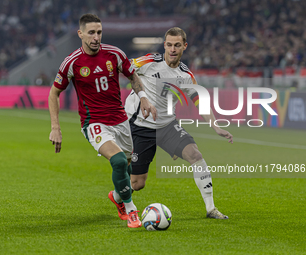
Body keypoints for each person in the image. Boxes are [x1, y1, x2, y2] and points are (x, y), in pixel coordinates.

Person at [48, 14, 157, 228]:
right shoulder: (72, 62)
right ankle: (131, 208)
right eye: (91, 32)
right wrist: (55, 127)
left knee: (125, 168)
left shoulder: (115, 54)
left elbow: (133, 76)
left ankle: (117, 197)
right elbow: (54, 93)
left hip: (119, 119)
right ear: (80, 34)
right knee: (117, 161)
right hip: (93, 122)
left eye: (99, 32)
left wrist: (144, 98)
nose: (96, 37)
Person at [125, 27, 233, 219]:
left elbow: (199, 101)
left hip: (167, 126)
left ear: (184, 46)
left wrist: (215, 126)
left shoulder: (186, 76)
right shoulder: (149, 61)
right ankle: (118, 195)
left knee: (195, 155)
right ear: (164, 45)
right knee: (137, 184)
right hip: (140, 126)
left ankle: (211, 208)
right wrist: (141, 96)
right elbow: (124, 68)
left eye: (177, 45)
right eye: (169, 45)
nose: (172, 49)